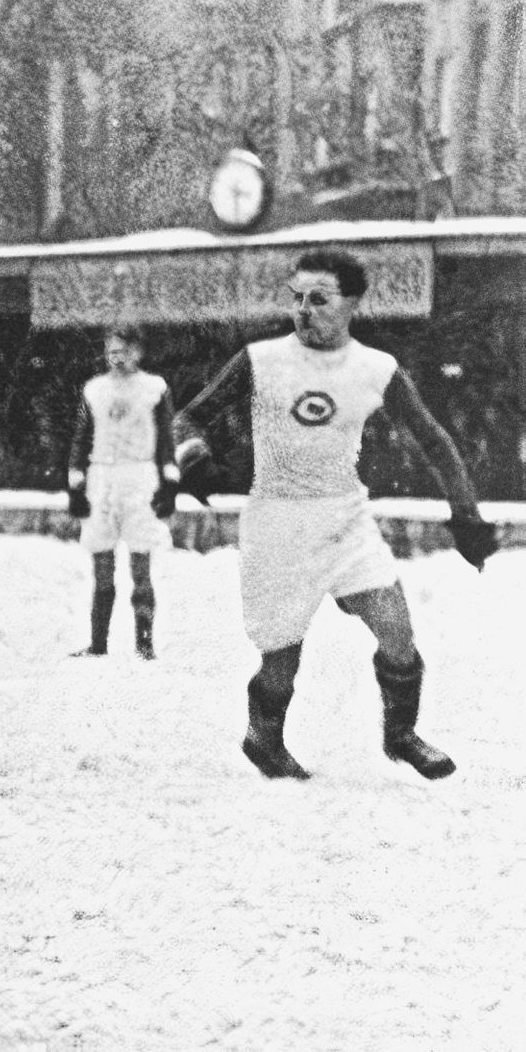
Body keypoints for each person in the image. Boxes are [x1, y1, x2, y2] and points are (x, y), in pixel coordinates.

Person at [173, 249, 495, 781]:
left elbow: (435, 442)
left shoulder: (375, 369)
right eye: (296, 298)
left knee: (396, 628)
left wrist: (466, 516)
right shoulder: (260, 359)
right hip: (277, 522)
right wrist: (193, 457)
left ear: (351, 304)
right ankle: (264, 739)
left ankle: (401, 734)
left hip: (343, 517)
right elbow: (190, 416)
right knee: (281, 658)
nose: (303, 310)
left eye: (318, 299)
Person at [64, 325, 180, 660]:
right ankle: (98, 643)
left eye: (124, 352)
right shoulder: (94, 390)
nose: (117, 359)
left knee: (140, 562)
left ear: (138, 353)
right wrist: (76, 483)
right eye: (111, 352)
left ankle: (144, 644)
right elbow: (82, 437)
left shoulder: (154, 389)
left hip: (140, 477)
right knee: (101, 559)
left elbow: (166, 440)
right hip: (102, 478)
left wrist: (169, 482)